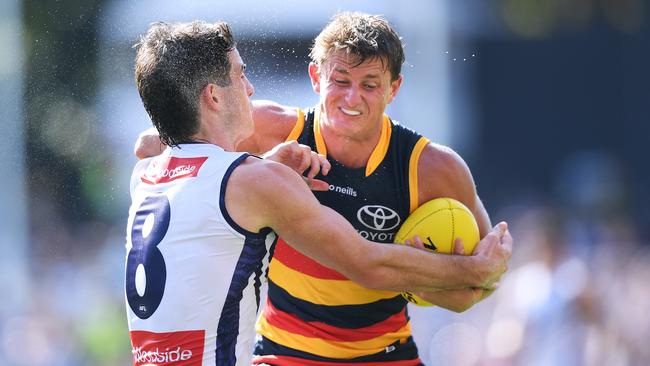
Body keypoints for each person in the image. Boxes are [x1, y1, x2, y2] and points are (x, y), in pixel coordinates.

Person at [126, 20, 511, 366]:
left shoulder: (432, 168)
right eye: (340, 81)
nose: (352, 98)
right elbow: (154, 141)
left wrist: (427, 277)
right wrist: (254, 170)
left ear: (394, 88)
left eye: (370, 85)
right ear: (315, 77)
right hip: (283, 354)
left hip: (386, 354)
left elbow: (472, 291)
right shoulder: (267, 131)